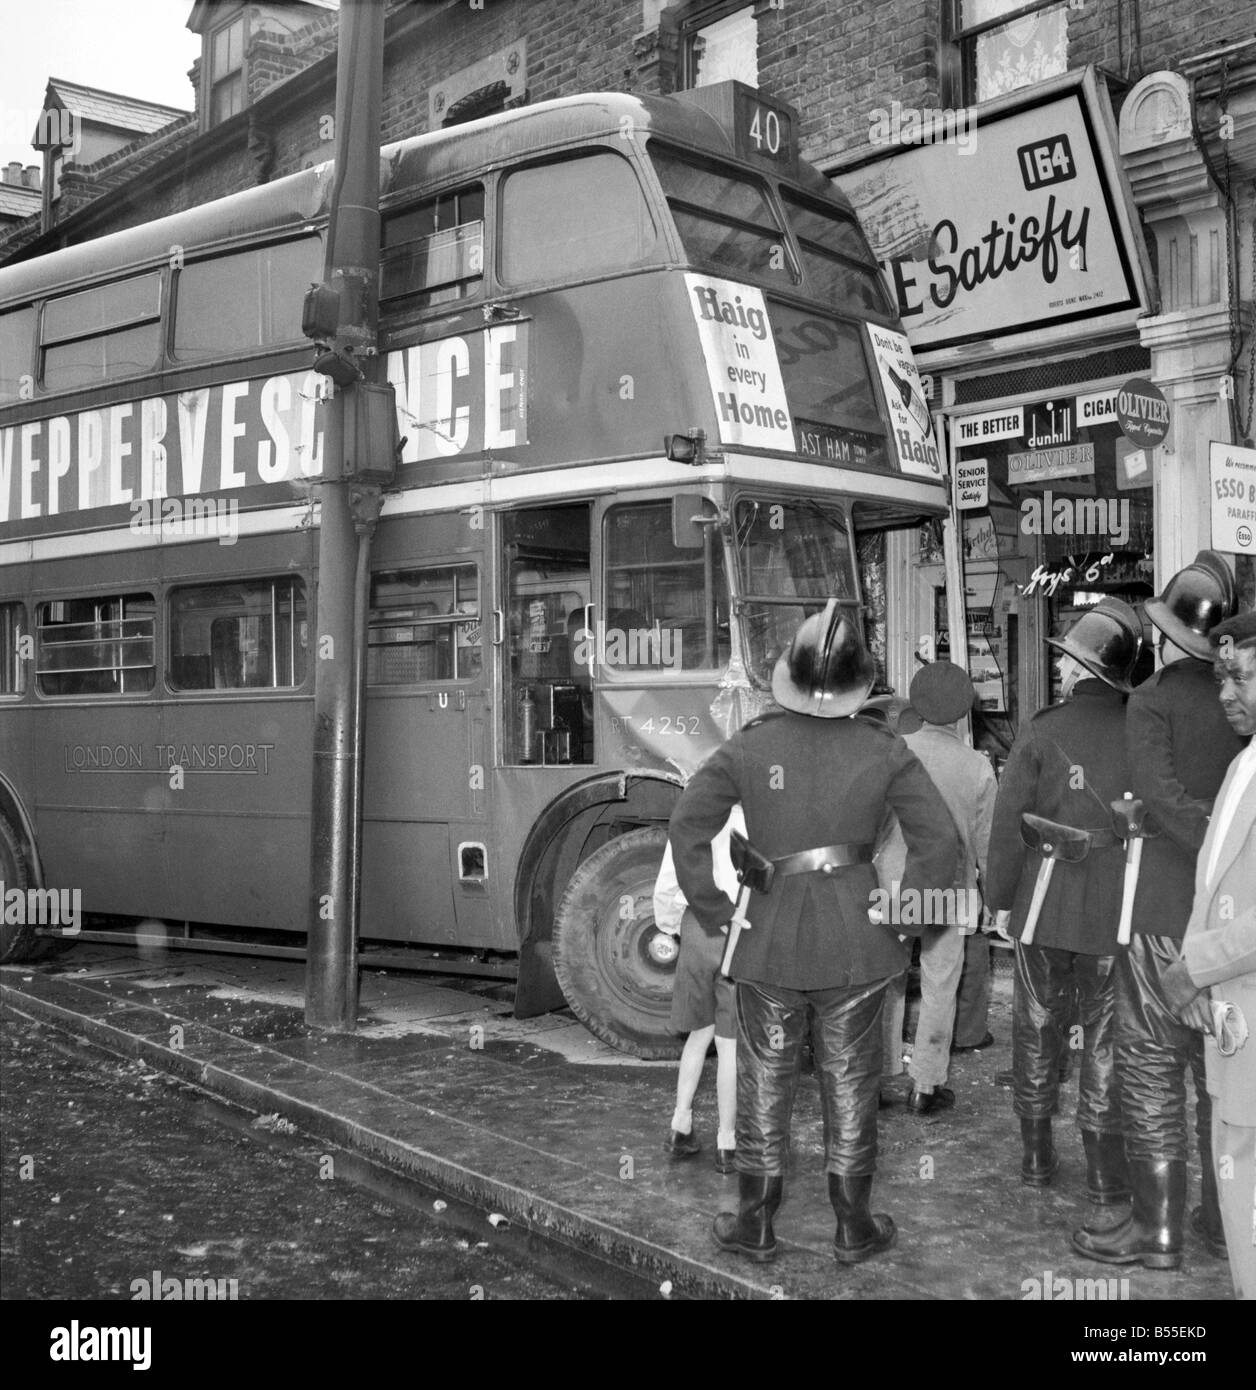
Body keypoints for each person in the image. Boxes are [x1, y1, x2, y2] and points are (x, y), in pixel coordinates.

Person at [669, 601, 957, 1265]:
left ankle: (754, 1220)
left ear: (789, 679)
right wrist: (911, 915)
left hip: (766, 936)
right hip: (860, 940)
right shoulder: (886, 750)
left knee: (767, 1076)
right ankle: (852, 1225)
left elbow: (687, 826)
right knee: (852, 1078)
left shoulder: (750, 746)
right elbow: (939, 842)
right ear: (861, 685)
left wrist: (715, 911)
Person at [1072, 553, 1240, 1270]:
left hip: (1165, 905)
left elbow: (1155, 790)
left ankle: (1159, 1229)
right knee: (1220, 1066)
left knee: (1149, 1065)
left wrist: (1206, 834)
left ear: (1167, 631)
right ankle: (1220, 1219)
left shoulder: (1154, 698)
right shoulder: (1240, 698)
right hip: (1234, 918)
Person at [986, 598, 1141, 1193]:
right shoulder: (1142, 727)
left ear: (1082, 672)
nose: (1061, 669)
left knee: (1037, 1025)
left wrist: (1001, 900)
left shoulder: (1044, 730)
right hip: (1116, 906)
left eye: (1067, 661)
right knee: (1107, 1035)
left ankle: (1036, 1157)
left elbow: (1007, 826)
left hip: (1044, 903)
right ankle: (1104, 1175)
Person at [1159, 610, 1256, 1299]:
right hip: (1236, 1022)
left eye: (1242, 677)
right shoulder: (1243, 764)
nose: (1226, 693)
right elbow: (1213, 878)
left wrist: (1196, 965)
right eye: (1224, 675)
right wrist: (1196, 977)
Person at [897, 662, 997, 1113]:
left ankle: (880, 1076)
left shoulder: (892, 752)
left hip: (894, 886)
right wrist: (993, 896)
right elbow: (987, 843)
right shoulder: (977, 767)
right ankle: (925, 1085)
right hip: (951, 889)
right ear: (962, 712)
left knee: (889, 982)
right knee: (941, 986)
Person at [654, 807, 745, 1173]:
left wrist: (672, 925)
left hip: (695, 927)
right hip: (737, 929)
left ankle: (680, 1125)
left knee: (697, 1035)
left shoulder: (691, 817)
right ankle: (727, 1142)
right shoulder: (751, 816)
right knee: (729, 1046)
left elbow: (667, 883)